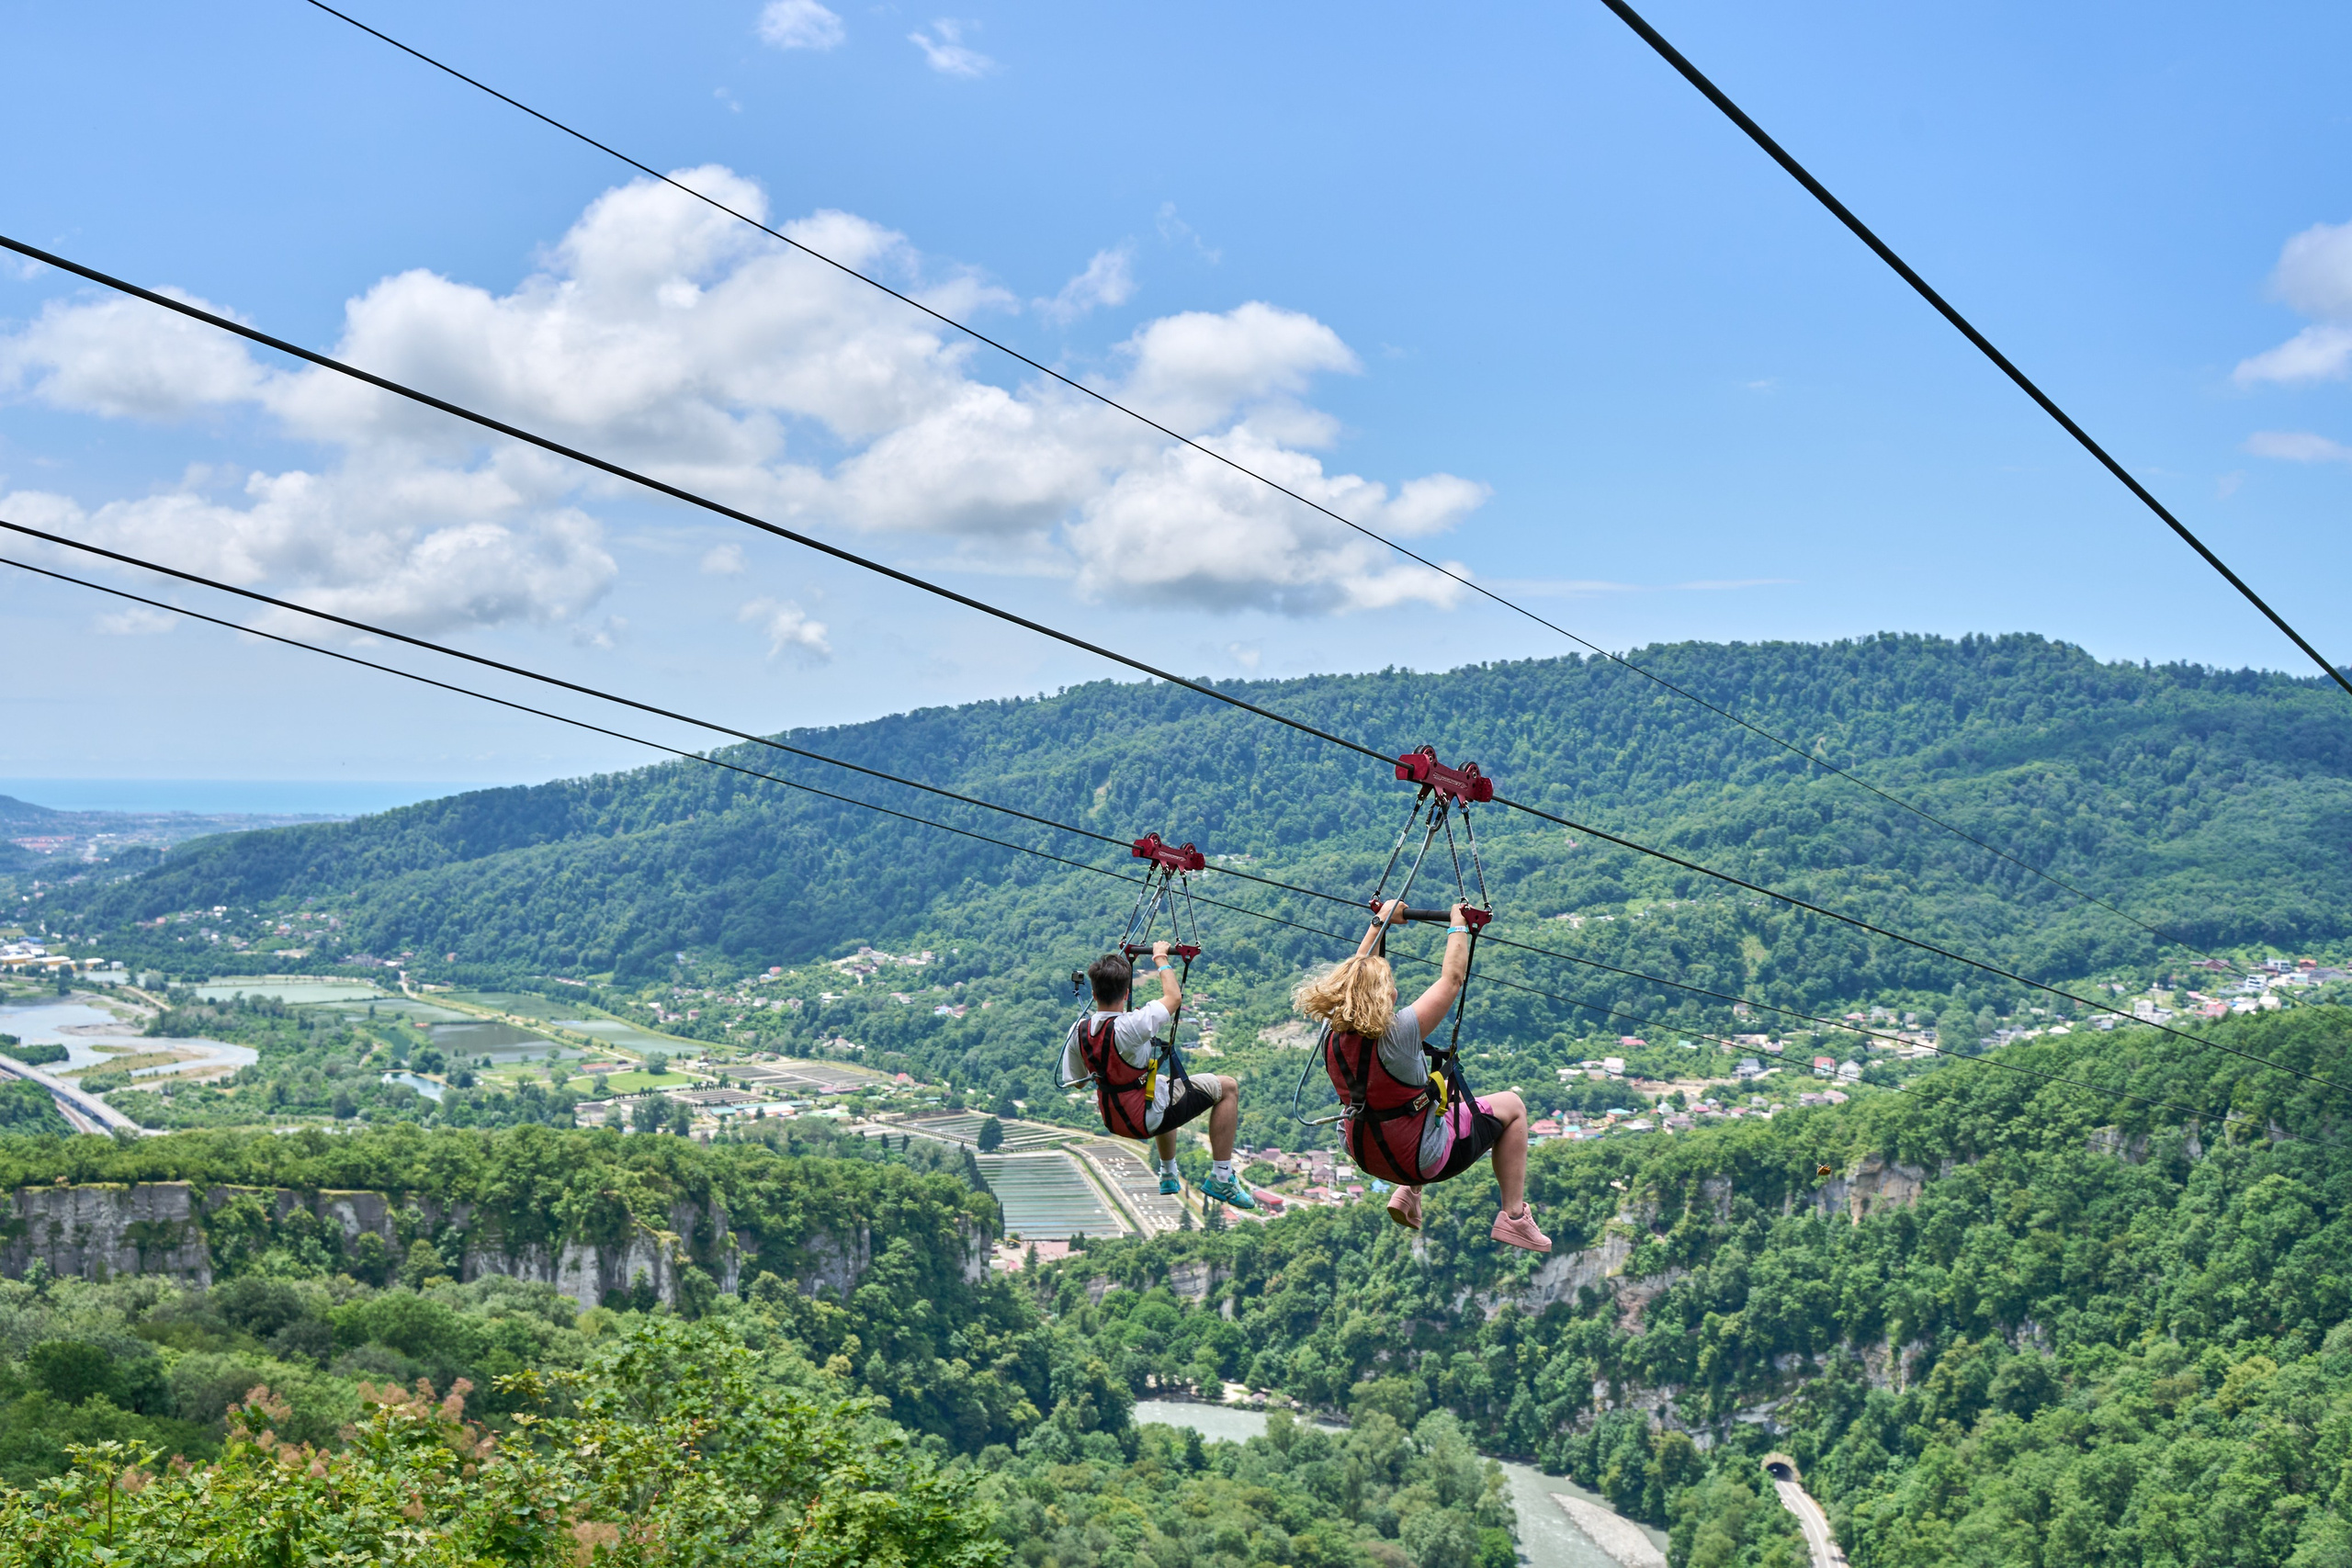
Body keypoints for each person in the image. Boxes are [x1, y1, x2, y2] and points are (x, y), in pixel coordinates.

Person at [1295, 900, 1548, 1251]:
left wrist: (1379, 923)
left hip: (1363, 1150)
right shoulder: (1399, 1033)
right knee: (1513, 1107)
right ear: (1385, 995)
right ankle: (1514, 1218)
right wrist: (1459, 925)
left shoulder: (1330, 1031)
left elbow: (1359, 972)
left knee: (1411, 1106)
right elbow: (1452, 980)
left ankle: (1407, 1193)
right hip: (1420, 1159)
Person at [1060, 941, 1256, 1209]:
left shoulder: (1079, 1030)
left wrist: (1107, 1068)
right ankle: (1222, 1176)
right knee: (1228, 1087)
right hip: (1144, 1118)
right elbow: (1174, 998)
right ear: (1126, 992)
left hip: (1113, 1119)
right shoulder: (1133, 1025)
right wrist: (1161, 957)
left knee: (1164, 1085)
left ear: (1093, 994)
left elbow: (1079, 1085)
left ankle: (1168, 1173)